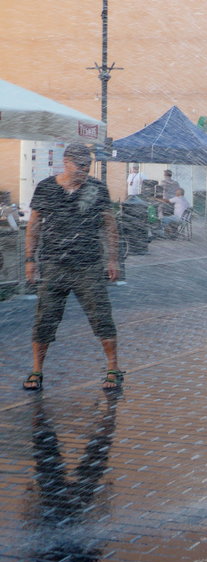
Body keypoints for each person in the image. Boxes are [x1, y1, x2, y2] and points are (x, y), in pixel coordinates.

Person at [23, 143, 123, 391]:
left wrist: (112, 259)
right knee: (45, 319)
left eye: (88, 167)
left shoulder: (97, 189)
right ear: (66, 162)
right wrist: (29, 259)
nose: (84, 171)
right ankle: (37, 370)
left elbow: (109, 225)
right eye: (80, 166)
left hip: (88, 265)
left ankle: (113, 369)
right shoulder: (46, 188)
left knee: (101, 317)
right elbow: (34, 224)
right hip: (53, 265)